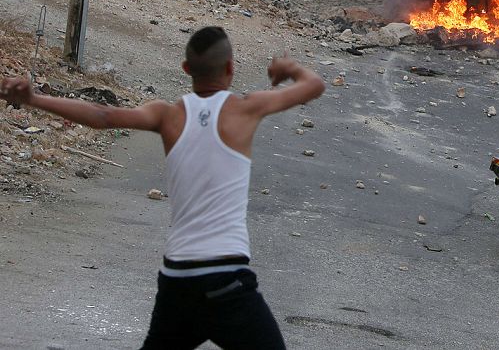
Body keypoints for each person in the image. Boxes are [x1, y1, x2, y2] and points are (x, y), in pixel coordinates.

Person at [0, 26, 325, 349]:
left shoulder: (166, 115)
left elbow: (102, 114)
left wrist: (33, 98)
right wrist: (289, 68)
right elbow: (314, 85)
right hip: (227, 282)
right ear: (230, 68)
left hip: (177, 282)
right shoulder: (247, 108)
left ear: (185, 69)